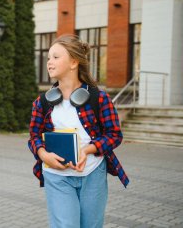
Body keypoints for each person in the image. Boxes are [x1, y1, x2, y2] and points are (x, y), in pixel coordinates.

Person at [28, 34, 129, 228]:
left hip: (93, 174)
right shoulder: (42, 103)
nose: (49, 62)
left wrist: (88, 150)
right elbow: (34, 137)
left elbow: (114, 135)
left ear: (74, 62)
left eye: (56, 57)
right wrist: (43, 155)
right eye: (48, 58)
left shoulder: (99, 98)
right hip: (56, 176)